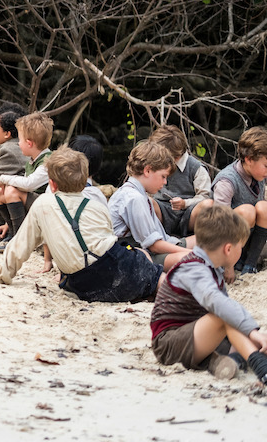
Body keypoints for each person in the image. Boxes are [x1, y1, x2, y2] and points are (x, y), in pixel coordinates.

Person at [0, 149, 161, 302]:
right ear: (85, 179)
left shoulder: (43, 203)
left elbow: (20, 246)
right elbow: (108, 240)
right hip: (117, 269)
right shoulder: (96, 205)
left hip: (82, 284)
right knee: (149, 266)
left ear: (52, 184)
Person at [150, 204, 267, 383]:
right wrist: (252, 332)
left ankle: (231, 361)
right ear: (228, 249)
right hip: (170, 343)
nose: (240, 251)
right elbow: (218, 304)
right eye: (240, 247)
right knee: (226, 317)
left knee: (242, 329)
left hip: (196, 337)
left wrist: (253, 334)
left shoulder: (211, 268)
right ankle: (261, 367)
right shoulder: (194, 268)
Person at [110, 140, 195, 270]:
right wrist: (188, 253)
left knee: (208, 240)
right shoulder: (134, 198)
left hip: (152, 248)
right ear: (147, 170)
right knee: (193, 260)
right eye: (163, 176)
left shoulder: (137, 193)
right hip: (134, 256)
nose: (165, 182)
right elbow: (153, 245)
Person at [211, 127, 267, 274]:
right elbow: (220, 223)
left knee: (264, 207)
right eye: (266, 166)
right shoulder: (227, 181)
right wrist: (227, 264)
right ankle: (235, 262)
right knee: (247, 211)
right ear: (248, 160)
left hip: (252, 242)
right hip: (228, 243)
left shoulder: (259, 175)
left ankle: (251, 263)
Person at [0, 111, 53, 240]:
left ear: (29, 143)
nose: (18, 143)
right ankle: (12, 230)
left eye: (20, 140)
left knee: (11, 190)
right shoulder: (33, 159)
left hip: (47, 209)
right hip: (36, 205)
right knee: (3, 191)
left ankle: (19, 238)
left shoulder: (47, 162)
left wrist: (3, 178)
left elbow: (29, 184)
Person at [147, 125, 213, 237]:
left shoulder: (196, 168)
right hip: (162, 211)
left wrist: (184, 203)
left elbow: (205, 196)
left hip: (188, 213)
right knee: (145, 201)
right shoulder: (153, 164)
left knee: (208, 205)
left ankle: (203, 242)